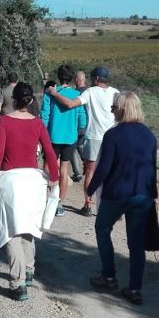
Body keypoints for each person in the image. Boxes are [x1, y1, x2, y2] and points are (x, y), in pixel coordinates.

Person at [0, 82, 59, 301]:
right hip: (33, 181)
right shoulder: (37, 123)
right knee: (28, 228)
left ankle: (17, 284)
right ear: (31, 101)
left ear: (14, 99)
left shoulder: (4, 121)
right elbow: (49, 153)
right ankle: (28, 270)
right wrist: (54, 177)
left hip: (11, 181)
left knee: (11, 232)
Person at [87, 92, 157, 306]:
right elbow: (152, 167)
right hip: (143, 193)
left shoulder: (113, 135)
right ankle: (135, 289)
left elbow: (104, 168)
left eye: (114, 107)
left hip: (117, 193)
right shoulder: (149, 135)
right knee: (136, 243)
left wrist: (89, 189)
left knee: (102, 228)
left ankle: (109, 276)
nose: (112, 110)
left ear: (122, 109)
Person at [47, 66, 119, 216]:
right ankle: (111, 207)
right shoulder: (115, 93)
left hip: (94, 137)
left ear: (97, 79)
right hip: (113, 137)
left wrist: (54, 93)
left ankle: (88, 205)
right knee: (111, 172)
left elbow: (70, 104)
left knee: (90, 172)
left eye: (92, 78)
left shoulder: (90, 92)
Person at [40, 65, 86, 217]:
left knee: (48, 167)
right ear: (72, 78)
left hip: (52, 137)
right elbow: (82, 121)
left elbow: (44, 116)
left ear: (59, 77)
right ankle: (59, 204)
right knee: (64, 170)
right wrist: (76, 126)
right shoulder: (75, 94)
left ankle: (50, 198)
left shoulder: (50, 93)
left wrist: (42, 134)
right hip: (70, 137)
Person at [69, 71, 88, 183]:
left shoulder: (75, 93)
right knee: (81, 146)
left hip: (76, 125)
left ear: (76, 79)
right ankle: (87, 164)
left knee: (72, 149)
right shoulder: (90, 92)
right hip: (88, 125)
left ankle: (77, 173)